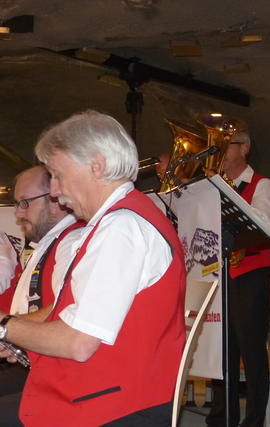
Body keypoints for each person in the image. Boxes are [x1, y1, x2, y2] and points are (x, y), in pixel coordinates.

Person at [0, 110, 186, 426]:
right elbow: (67, 310)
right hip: (109, 391)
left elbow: (78, 343)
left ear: (96, 166)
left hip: (114, 405)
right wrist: (17, 331)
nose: (55, 190)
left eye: (58, 175)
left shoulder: (122, 227)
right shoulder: (120, 220)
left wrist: (5, 326)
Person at [0, 165, 83, 425]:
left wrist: (7, 330)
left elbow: (61, 310)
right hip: (41, 364)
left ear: (56, 199)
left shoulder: (72, 242)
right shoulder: (49, 243)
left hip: (66, 376)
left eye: (25, 202)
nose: (18, 213)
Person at [206, 129, 270, 427]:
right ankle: (222, 417)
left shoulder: (263, 184)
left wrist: (223, 190)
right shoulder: (213, 186)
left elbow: (261, 221)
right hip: (218, 275)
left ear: (245, 148)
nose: (220, 151)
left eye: (226, 145)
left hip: (250, 275)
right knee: (221, 351)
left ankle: (254, 420)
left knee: (252, 351)